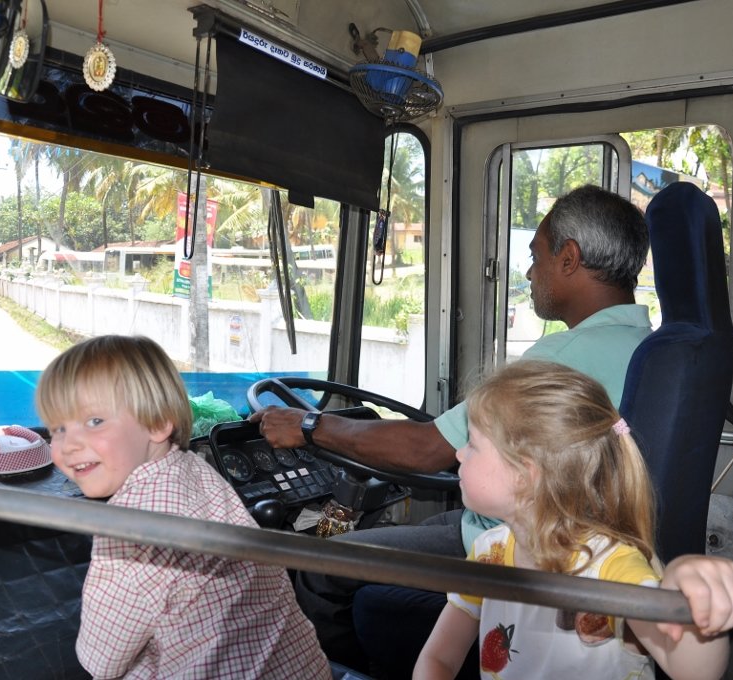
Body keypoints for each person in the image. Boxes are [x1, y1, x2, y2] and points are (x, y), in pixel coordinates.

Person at [250, 184, 653, 669]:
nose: (529, 272)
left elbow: (427, 449)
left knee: (320, 565)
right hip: (530, 524)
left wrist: (310, 426)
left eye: (536, 256)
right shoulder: (643, 344)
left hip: (515, 536)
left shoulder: (560, 359)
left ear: (569, 258)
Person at [414, 360, 733, 679]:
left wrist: (688, 597)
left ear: (524, 475)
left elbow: (694, 670)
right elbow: (439, 657)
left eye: (472, 444)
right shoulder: (490, 552)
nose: (459, 453)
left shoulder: (610, 567)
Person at [36, 335, 330, 680]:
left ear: (158, 424)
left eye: (94, 422)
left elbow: (102, 660)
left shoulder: (130, 529)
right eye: (57, 428)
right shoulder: (196, 471)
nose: (69, 445)